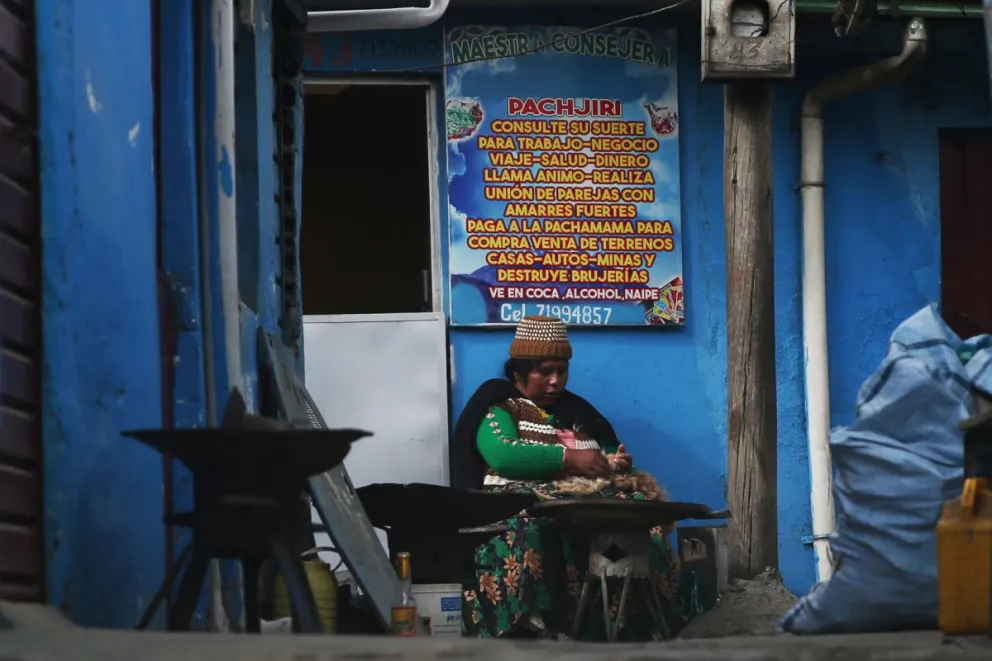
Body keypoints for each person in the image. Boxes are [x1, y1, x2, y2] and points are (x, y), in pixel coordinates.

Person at [451, 316, 684, 641]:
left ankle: (637, 620)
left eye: (562, 370)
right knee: (534, 519)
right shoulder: (499, 405)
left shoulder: (578, 411)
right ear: (518, 372)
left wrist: (615, 465)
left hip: (583, 499)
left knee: (643, 514)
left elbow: (605, 454)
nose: (555, 380)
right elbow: (502, 455)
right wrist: (570, 459)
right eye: (544, 371)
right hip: (516, 501)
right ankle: (532, 623)